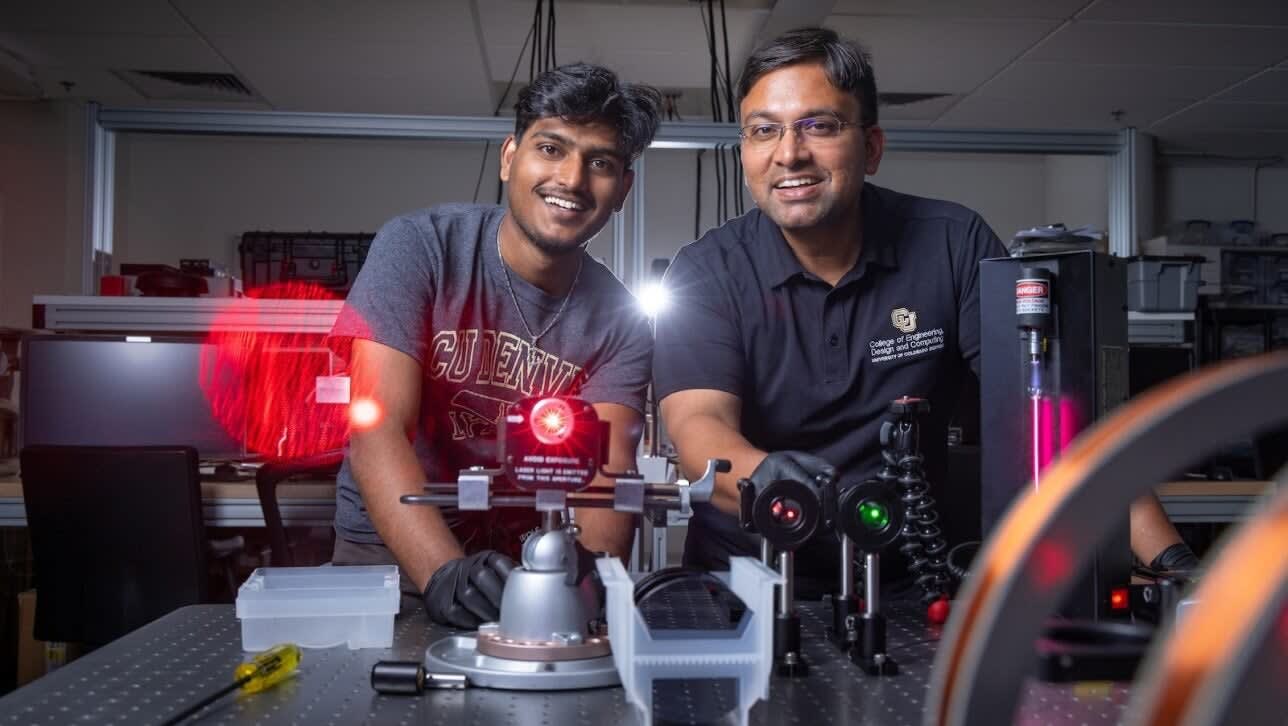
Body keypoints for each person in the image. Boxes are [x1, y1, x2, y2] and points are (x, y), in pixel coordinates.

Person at [653, 27, 1197, 597]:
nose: (789, 153)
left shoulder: (952, 244)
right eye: (764, 130)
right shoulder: (706, 271)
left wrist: (1173, 561)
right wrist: (768, 479)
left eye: (820, 125)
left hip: (910, 582)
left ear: (872, 147)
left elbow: (1055, 417)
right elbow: (699, 428)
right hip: (742, 582)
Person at [326, 63, 662, 628]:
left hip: (527, 565)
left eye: (600, 162)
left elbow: (604, 476)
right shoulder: (421, 248)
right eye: (551, 148)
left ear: (623, 189)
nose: (572, 179)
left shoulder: (622, 323)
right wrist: (442, 573)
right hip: (391, 553)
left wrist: (588, 580)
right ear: (510, 157)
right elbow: (376, 428)